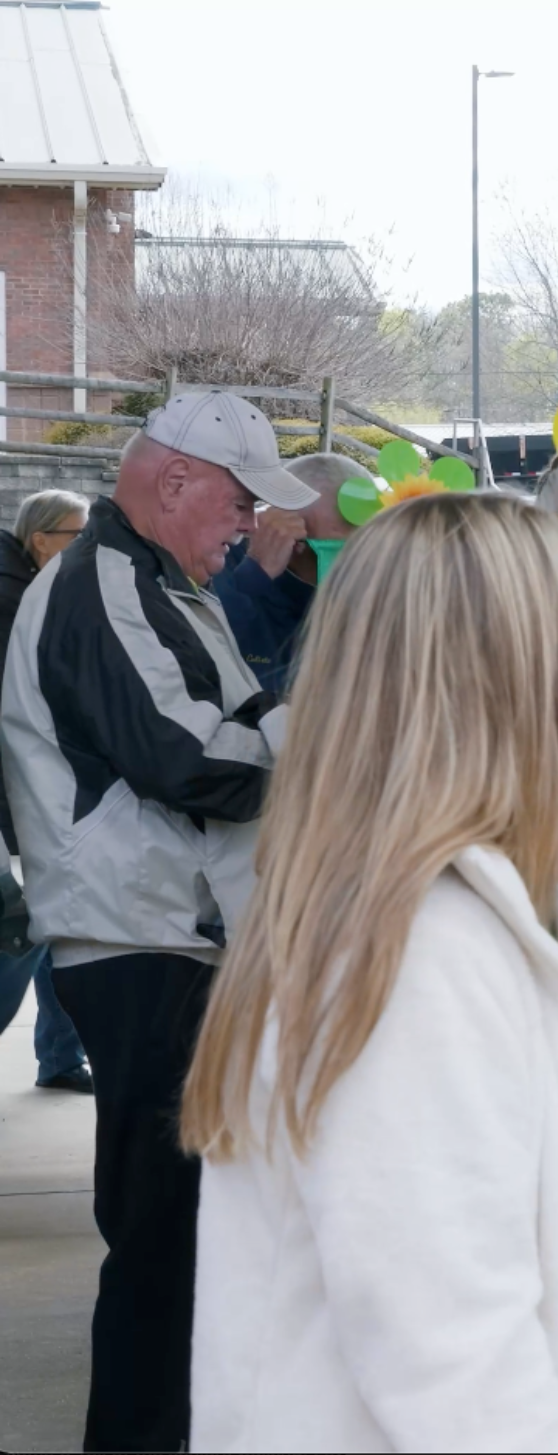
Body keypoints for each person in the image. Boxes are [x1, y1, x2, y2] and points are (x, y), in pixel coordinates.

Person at [181, 492, 558, 1450]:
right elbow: (456, 1358)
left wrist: (547, 872)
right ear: (511, 676)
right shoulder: (421, 955)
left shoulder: (392, 917)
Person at [0, 390, 319, 1451]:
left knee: (185, 1229)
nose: (245, 527)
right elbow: (192, 759)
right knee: (160, 1236)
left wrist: (282, 723)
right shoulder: (101, 584)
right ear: (173, 480)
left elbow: (230, 722)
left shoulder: (163, 584)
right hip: (142, 945)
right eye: (236, 502)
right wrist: (328, 746)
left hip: (175, 938)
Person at [0, 488, 91, 1094]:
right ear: (41, 540)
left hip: (22, 783)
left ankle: (60, 1056)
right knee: (32, 920)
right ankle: (58, 1054)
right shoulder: (17, 598)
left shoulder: (28, 588)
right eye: (76, 537)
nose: (86, 550)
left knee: (46, 914)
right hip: (21, 782)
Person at [209, 451, 371, 692]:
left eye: (362, 550)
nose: (349, 568)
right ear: (284, 534)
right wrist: (255, 574)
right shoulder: (219, 561)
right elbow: (207, 655)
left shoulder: (378, 576)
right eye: (329, 553)